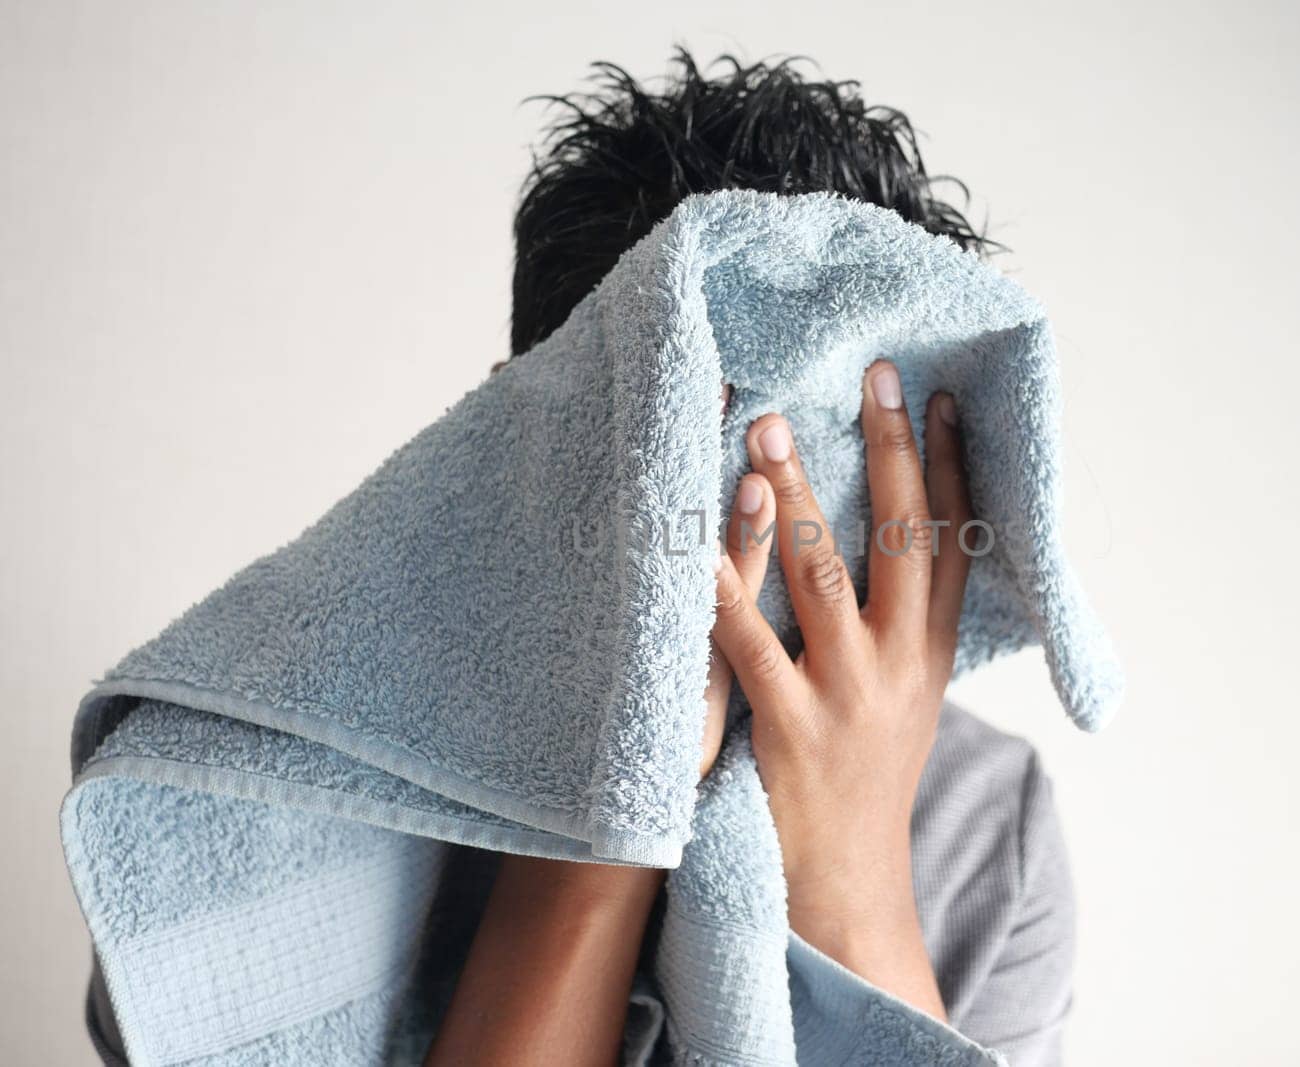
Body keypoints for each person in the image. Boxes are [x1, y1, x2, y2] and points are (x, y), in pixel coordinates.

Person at [87, 52, 1077, 1067]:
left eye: (837, 474)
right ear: (510, 442)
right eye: (680, 452)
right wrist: (614, 809)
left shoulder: (988, 828)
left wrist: (852, 860)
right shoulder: (240, 787)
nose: (764, 532)